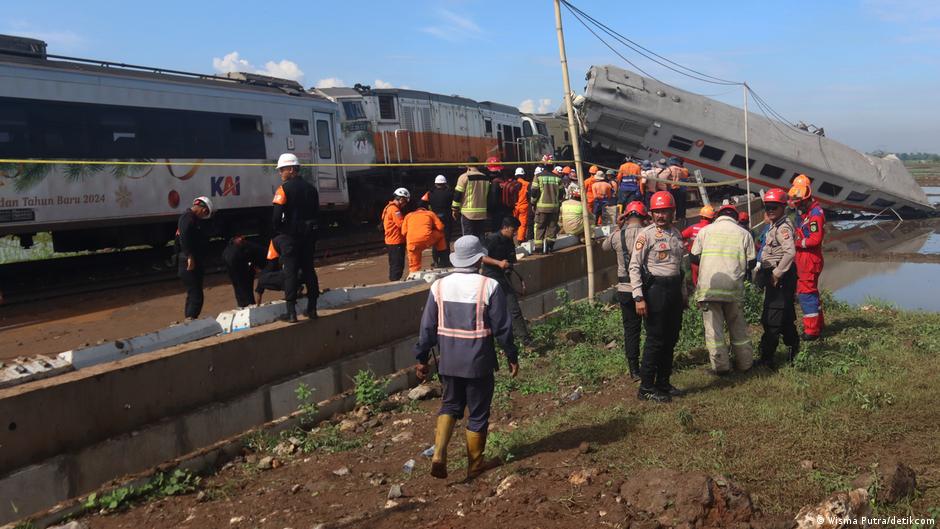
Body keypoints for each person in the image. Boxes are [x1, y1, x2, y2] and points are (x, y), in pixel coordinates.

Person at [414, 235, 519, 480]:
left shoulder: (438, 286)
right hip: (478, 360)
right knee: (479, 412)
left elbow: (427, 326)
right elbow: (503, 327)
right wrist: (511, 355)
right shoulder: (488, 286)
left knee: (450, 405)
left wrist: (421, 357)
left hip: (449, 360)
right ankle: (474, 465)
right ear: (479, 259)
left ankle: (439, 453)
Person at [629, 191, 687, 403]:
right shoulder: (646, 235)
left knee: (671, 338)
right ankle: (646, 387)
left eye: (665, 211)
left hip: (673, 290)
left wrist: (683, 294)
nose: (661, 216)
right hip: (655, 291)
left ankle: (663, 382)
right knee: (655, 339)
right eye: (657, 212)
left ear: (672, 212)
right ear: (651, 214)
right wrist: (638, 297)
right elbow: (634, 267)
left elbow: (680, 267)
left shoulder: (677, 234)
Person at [690, 203, 756, 375]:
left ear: (717, 216)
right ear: (735, 218)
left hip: (709, 289)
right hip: (733, 289)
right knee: (738, 327)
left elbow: (693, 256)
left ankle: (721, 367)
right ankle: (745, 364)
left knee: (714, 331)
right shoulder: (744, 233)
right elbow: (752, 263)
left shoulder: (705, 231)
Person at [602, 201, 649, 381]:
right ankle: (651, 364)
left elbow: (604, 247)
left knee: (631, 330)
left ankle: (634, 369)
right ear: (644, 216)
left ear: (626, 217)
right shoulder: (648, 233)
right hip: (646, 287)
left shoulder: (617, 236)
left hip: (624, 288)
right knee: (652, 328)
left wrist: (617, 226)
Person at [272, 153, 320, 322]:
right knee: (309, 270)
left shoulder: (283, 189)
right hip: (308, 238)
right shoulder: (312, 189)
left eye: (282, 170)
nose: (280, 173)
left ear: (291, 169)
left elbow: (276, 219)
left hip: (291, 239)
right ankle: (312, 308)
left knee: (290, 273)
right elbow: (316, 214)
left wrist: (285, 230)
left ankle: (291, 312)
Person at [754, 188, 799, 368]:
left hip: (780, 277)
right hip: (774, 275)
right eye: (767, 207)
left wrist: (776, 274)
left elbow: (790, 252)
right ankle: (793, 350)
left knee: (772, 318)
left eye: (774, 207)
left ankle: (767, 358)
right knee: (785, 316)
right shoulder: (775, 224)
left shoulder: (783, 228)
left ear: (782, 208)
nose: (770, 210)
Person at [482, 217, 530, 343]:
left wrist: (509, 266)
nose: (515, 233)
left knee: (514, 309)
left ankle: (525, 339)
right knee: (491, 312)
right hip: (491, 278)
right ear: (505, 227)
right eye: (513, 230)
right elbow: (481, 257)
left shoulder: (509, 241)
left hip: (505, 278)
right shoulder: (492, 239)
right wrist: (498, 263)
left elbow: (511, 259)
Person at [789, 183, 826, 341]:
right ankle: (818, 324)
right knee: (812, 293)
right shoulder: (809, 213)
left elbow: (815, 239)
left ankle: (811, 331)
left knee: (806, 294)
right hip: (806, 259)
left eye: (798, 203)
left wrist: (797, 243)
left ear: (805, 199)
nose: (797, 206)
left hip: (809, 259)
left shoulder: (815, 215)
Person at [176, 196, 212, 320]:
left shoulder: (191, 219)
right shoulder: (187, 218)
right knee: (196, 296)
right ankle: (191, 320)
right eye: (206, 212)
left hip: (191, 259)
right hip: (188, 260)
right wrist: (190, 256)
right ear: (203, 209)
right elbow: (184, 238)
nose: (205, 215)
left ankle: (188, 319)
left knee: (193, 294)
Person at [222, 235, 266, 308]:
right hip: (239, 262)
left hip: (234, 262)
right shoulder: (245, 248)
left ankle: (243, 304)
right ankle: (248, 303)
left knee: (239, 284)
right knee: (244, 284)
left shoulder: (230, 249)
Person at [402, 204, 448, 273]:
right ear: (425, 209)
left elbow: (403, 232)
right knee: (441, 235)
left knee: (414, 266)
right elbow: (440, 227)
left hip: (412, 244)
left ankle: (413, 275)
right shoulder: (430, 213)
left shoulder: (408, 216)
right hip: (427, 239)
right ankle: (442, 258)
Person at [452, 157, 491, 239]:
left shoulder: (464, 177)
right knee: (480, 238)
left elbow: (457, 194)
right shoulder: (486, 178)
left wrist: (455, 209)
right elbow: (488, 195)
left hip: (468, 214)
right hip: (482, 214)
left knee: (468, 240)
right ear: (478, 165)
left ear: (467, 165)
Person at [530, 164, 563, 253]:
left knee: (540, 227)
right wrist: (558, 203)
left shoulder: (538, 176)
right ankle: (549, 247)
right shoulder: (558, 178)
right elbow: (561, 193)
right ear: (552, 167)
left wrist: (533, 203)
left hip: (541, 208)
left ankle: (538, 249)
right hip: (554, 208)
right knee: (552, 228)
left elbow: (534, 191)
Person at [681, 204, 715, 286]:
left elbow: (680, 236)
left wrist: (688, 246)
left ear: (701, 217)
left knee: (695, 278)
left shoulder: (693, 228)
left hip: (694, 257)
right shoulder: (714, 229)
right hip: (709, 257)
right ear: (712, 218)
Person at [422, 175, 454, 256]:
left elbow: (422, 203)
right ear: (445, 183)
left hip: (434, 219)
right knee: (446, 239)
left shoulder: (429, 193)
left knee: (435, 239)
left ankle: (436, 259)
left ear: (435, 184)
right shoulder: (450, 193)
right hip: (447, 219)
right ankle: (445, 259)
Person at [383, 188, 410, 281]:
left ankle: (394, 281)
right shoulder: (395, 210)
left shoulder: (388, 207)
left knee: (394, 264)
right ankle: (395, 283)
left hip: (391, 240)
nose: (405, 204)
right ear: (401, 199)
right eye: (405, 201)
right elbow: (401, 224)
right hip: (396, 241)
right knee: (397, 266)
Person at [486, 157, 513, 233]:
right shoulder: (504, 180)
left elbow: (493, 200)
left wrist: (489, 209)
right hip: (506, 210)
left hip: (497, 211)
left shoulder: (494, 183)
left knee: (497, 232)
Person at [667, 157, 690, 226]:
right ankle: (679, 217)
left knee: (671, 204)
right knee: (680, 204)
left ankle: (671, 217)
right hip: (679, 189)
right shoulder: (682, 170)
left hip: (671, 188)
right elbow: (685, 177)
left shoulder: (669, 169)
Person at [512, 167, 531, 244]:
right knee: (522, 224)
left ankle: (512, 238)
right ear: (523, 175)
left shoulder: (513, 184)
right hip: (524, 206)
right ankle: (520, 239)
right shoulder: (527, 184)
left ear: (516, 175)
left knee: (513, 223)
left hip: (515, 207)